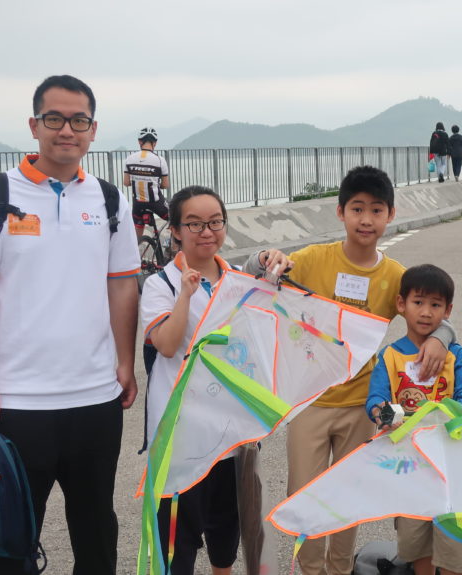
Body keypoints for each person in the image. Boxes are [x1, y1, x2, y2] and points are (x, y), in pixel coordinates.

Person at [0, 74, 141, 574]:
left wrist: (125, 362)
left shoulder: (108, 200)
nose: (66, 130)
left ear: (93, 130)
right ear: (34, 125)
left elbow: (122, 285)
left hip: (95, 400)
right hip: (16, 403)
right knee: (9, 544)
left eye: (79, 120)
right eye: (54, 118)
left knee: (97, 534)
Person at [245, 166, 456, 575]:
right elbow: (255, 272)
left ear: (390, 215)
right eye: (357, 209)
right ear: (340, 212)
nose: (366, 219)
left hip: (360, 405)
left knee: (348, 494)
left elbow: (434, 313)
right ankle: (311, 569)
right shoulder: (314, 259)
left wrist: (440, 339)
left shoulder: (394, 276)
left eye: (376, 210)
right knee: (305, 494)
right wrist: (265, 257)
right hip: (309, 401)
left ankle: (340, 568)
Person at [141, 186, 293, 575]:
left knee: (226, 538)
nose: (206, 232)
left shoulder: (238, 280)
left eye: (214, 222)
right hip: (181, 439)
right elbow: (167, 345)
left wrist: (268, 258)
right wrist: (185, 296)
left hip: (232, 436)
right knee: (178, 544)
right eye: (194, 224)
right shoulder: (162, 285)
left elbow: (265, 317)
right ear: (176, 231)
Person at [365, 263, 462, 575]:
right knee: (416, 544)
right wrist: (381, 413)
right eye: (418, 302)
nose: (425, 312)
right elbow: (376, 397)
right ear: (401, 304)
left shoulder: (456, 355)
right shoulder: (390, 356)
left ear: (448, 311)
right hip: (409, 466)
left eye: (435, 305)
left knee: (454, 549)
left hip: (452, 468)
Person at [124, 127, 171, 241]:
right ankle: (173, 246)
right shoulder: (160, 160)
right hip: (155, 203)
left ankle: (136, 248)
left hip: (138, 204)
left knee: (137, 232)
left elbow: (126, 183)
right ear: (155, 143)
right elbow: (165, 185)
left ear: (140, 142)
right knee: (176, 219)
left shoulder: (129, 159)